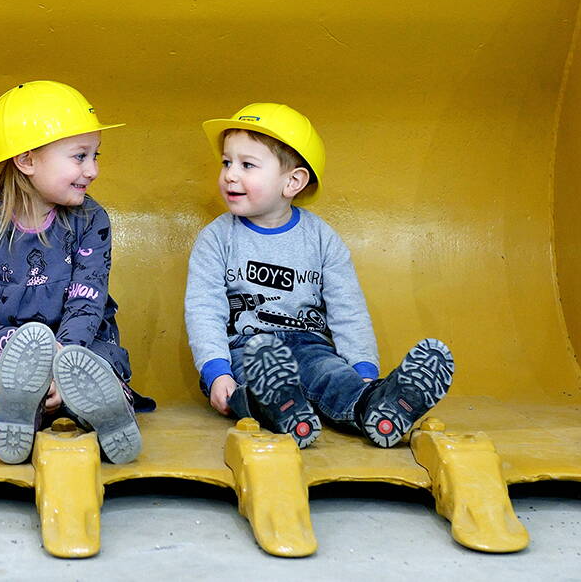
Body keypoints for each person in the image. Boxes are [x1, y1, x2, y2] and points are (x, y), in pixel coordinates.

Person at [184, 103, 453, 448]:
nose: (230, 175)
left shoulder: (321, 238)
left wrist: (363, 372)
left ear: (292, 181)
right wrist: (216, 371)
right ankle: (282, 407)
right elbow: (204, 308)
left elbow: (348, 310)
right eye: (227, 162)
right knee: (253, 383)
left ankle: (379, 404)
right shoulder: (218, 237)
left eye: (247, 165)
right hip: (246, 350)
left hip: (310, 346)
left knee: (333, 377)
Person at [0, 80, 150, 464]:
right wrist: (26, 360)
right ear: (26, 161)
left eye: (96, 155)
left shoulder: (91, 220)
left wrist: (62, 359)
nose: (93, 169)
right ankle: (10, 410)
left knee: (97, 365)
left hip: (76, 349)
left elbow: (86, 303)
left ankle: (106, 409)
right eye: (80, 156)